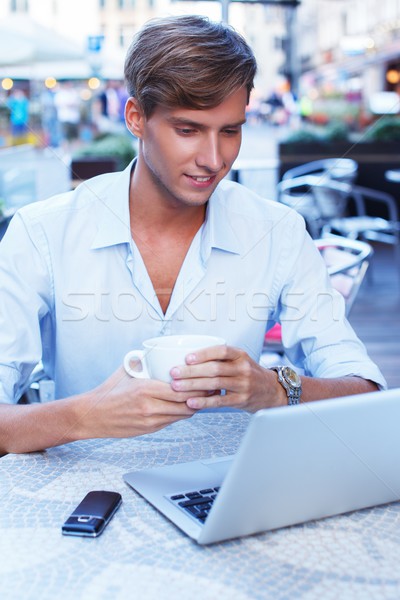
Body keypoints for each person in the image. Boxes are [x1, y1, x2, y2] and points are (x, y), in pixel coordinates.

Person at [0, 15, 385, 455]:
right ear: (136, 118)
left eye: (230, 131)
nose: (213, 159)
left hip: (230, 497)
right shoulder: (42, 232)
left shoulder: (277, 230)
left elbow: (366, 394)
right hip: (83, 503)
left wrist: (276, 389)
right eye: (188, 130)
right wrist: (85, 415)